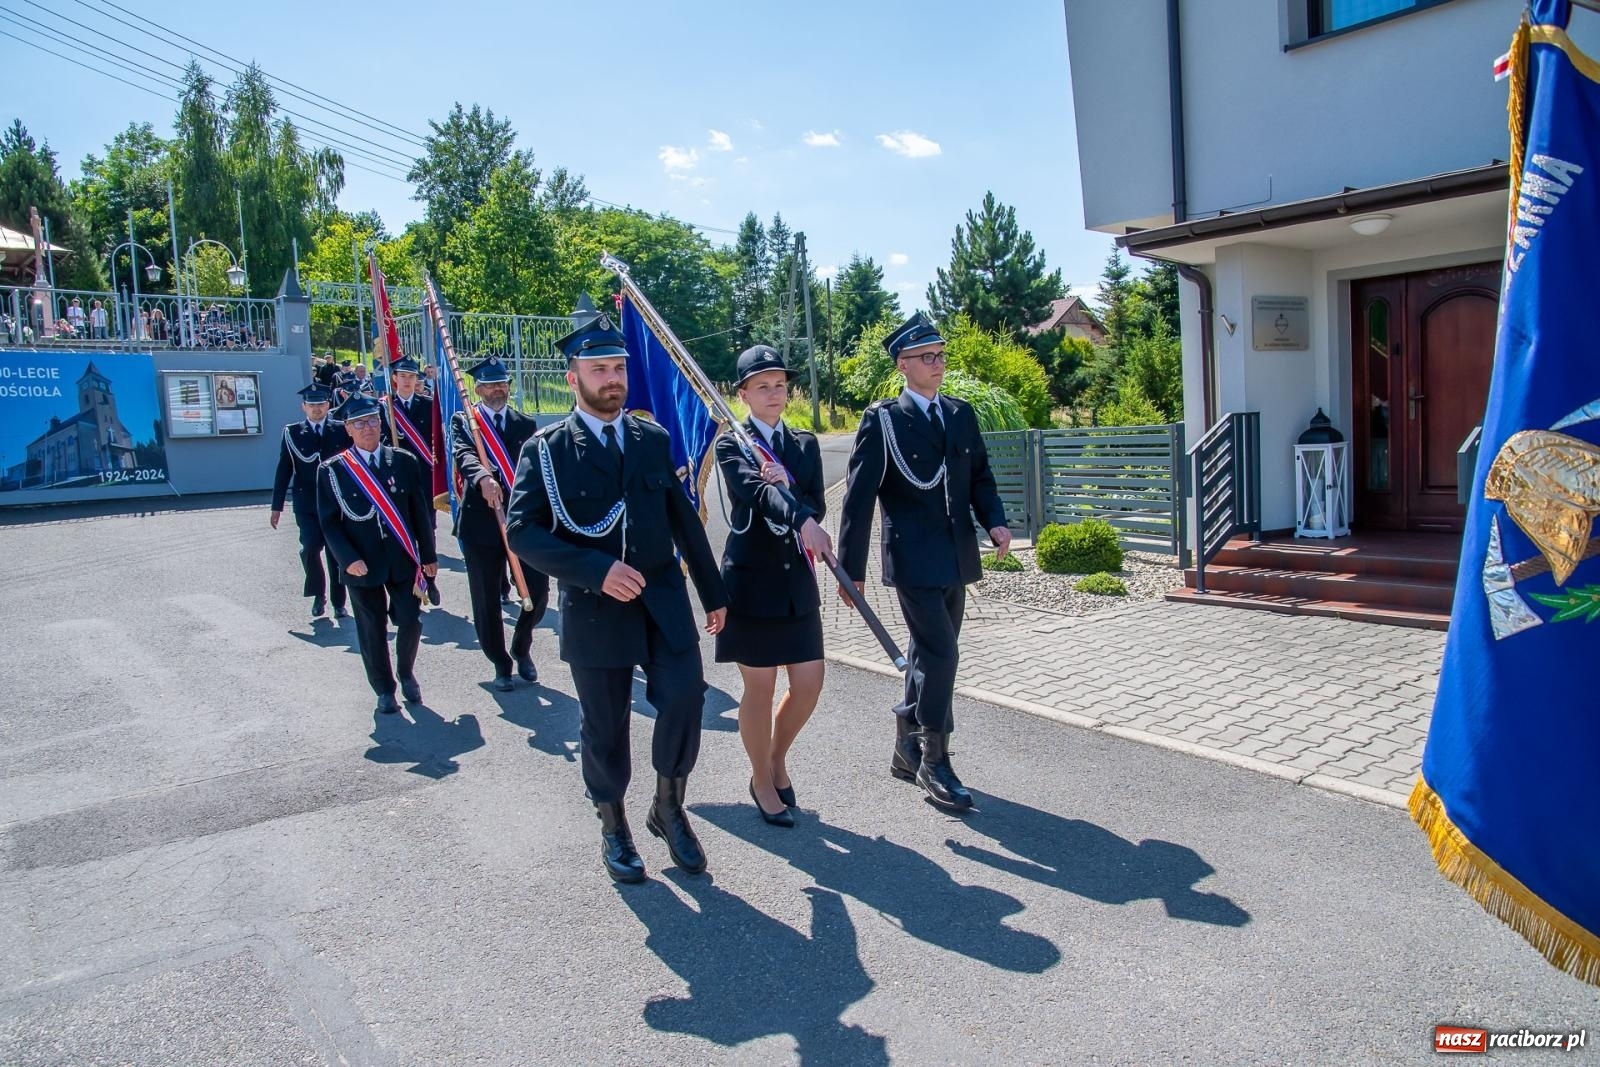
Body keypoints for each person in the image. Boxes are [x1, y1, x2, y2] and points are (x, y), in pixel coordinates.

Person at [507, 305, 727, 884]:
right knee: (605, 727)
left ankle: (668, 807)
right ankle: (614, 824)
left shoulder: (650, 439)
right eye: (600, 368)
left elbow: (683, 517)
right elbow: (522, 531)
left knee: (684, 697)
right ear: (572, 376)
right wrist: (594, 570)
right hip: (596, 606)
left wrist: (713, 591)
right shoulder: (546, 450)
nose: (613, 379)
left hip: (661, 596)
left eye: (619, 368)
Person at [837, 311, 1011, 813]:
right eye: (926, 357)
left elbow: (980, 476)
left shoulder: (960, 414)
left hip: (956, 555)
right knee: (942, 655)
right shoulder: (884, 420)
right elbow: (858, 497)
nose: (937, 364)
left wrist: (995, 521)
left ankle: (903, 746)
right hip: (912, 558)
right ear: (902, 365)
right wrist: (852, 572)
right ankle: (935, 759)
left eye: (940, 355)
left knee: (929, 653)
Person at [713, 345, 832, 828]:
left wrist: (796, 493)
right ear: (742, 394)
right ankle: (761, 779)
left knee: (808, 684)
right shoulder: (731, 444)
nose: (774, 393)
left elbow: (818, 507)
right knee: (759, 687)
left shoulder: (804, 443)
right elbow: (755, 494)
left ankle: (776, 756)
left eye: (780, 384)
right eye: (762, 386)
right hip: (751, 584)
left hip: (796, 584)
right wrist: (788, 499)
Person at [317, 393, 439, 715]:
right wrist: (347, 559)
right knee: (371, 629)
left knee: (411, 620)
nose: (368, 427)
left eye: (372, 420)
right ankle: (384, 689)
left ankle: (406, 671)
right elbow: (329, 524)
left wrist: (429, 556)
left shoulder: (402, 461)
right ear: (348, 429)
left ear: (381, 422)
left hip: (402, 560)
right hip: (361, 564)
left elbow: (420, 513)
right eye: (359, 423)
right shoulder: (333, 471)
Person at [450, 356, 549, 690]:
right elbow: (463, 454)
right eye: (490, 385)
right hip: (481, 524)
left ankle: (521, 647)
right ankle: (500, 663)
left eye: (502, 384)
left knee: (537, 591)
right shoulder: (465, 421)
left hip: (522, 521)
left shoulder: (525, 423)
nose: (497, 390)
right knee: (486, 599)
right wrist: (482, 479)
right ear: (477, 389)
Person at [271, 383, 353, 619]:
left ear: (328, 405)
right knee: (310, 547)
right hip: (307, 503)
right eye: (312, 405)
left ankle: (339, 602)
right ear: (304, 407)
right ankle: (319, 594)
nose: (317, 409)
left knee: (336, 553)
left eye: (321, 404)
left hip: (337, 503)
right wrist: (277, 506)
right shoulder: (293, 432)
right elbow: (284, 469)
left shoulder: (340, 430)